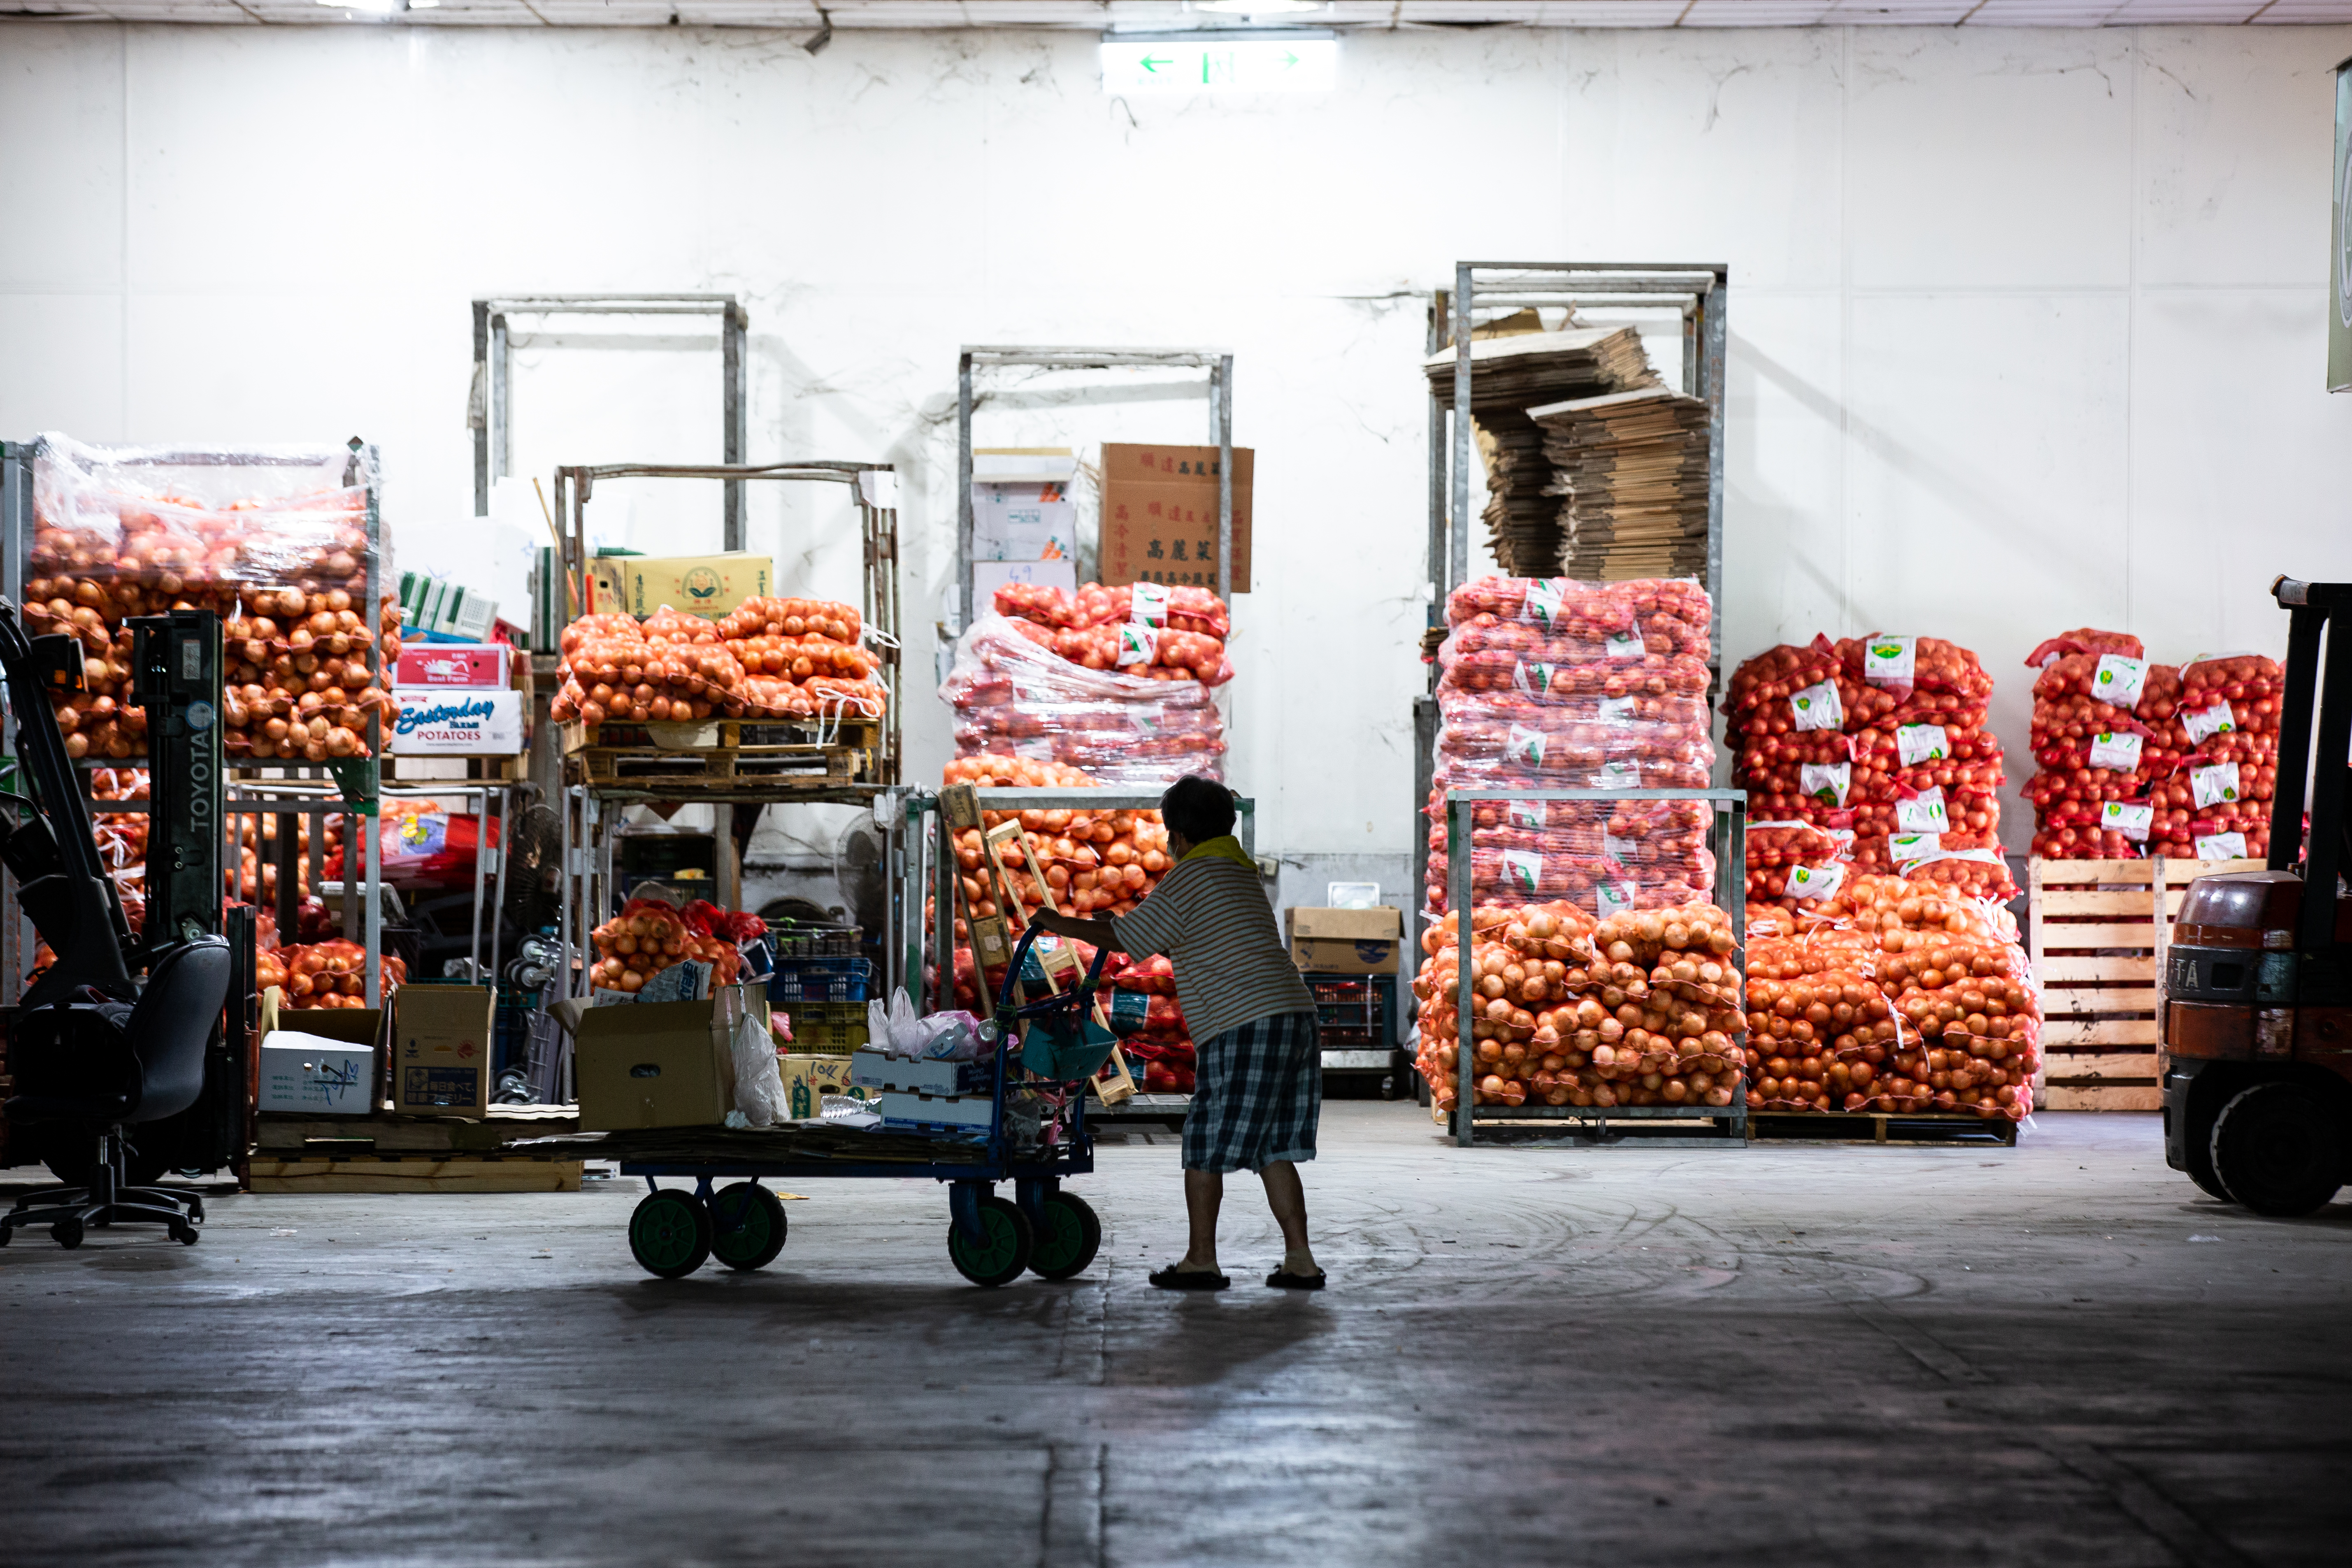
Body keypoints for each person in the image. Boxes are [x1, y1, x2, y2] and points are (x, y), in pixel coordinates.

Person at [1029, 774, 1324, 1291]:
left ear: (1180, 835)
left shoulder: (1194, 874)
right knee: (1273, 1145)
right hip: (1292, 1016)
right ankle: (1300, 1260)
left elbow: (1127, 939)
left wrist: (1060, 922)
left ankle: (1201, 1260)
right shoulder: (1238, 872)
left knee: (1203, 1141)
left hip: (1245, 1021)